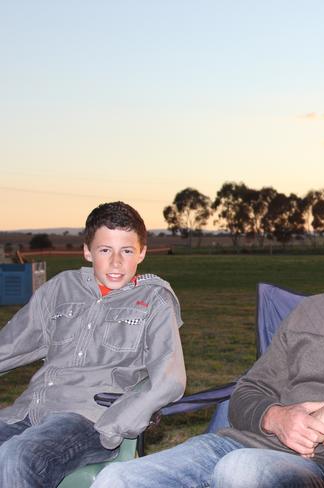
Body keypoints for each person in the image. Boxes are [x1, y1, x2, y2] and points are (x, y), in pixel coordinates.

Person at [91, 193, 324, 488]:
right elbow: (248, 392)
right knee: (115, 480)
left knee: (241, 471)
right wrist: (276, 417)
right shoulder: (311, 311)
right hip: (237, 444)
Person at [0, 201, 186, 487]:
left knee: (18, 456)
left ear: (142, 253)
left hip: (88, 419)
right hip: (31, 408)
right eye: (105, 250)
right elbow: (11, 344)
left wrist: (118, 424)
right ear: (88, 251)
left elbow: (170, 380)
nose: (116, 263)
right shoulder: (61, 288)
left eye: (127, 251)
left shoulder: (153, 301)